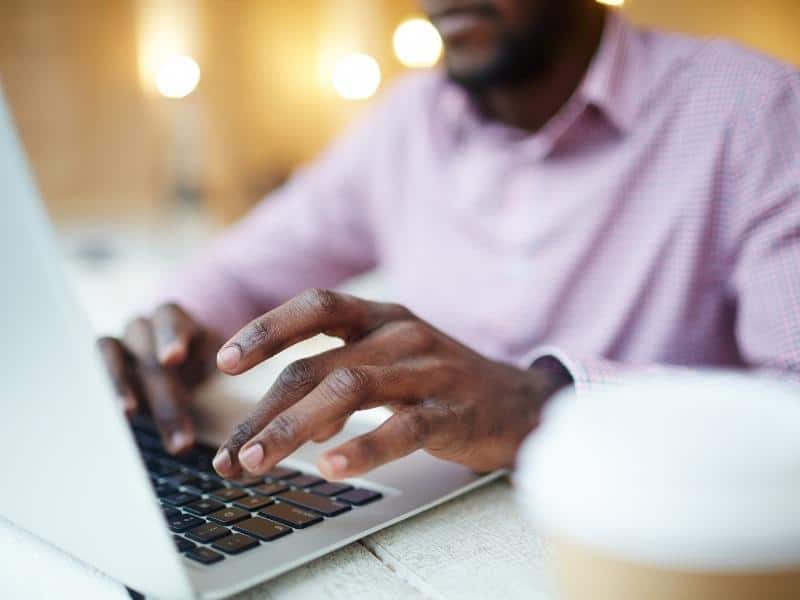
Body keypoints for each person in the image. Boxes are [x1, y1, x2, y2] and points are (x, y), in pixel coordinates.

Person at [99, 0, 800, 482]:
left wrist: (543, 405)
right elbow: (241, 270)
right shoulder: (407, 121)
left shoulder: (754, 109)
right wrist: (171, 341)